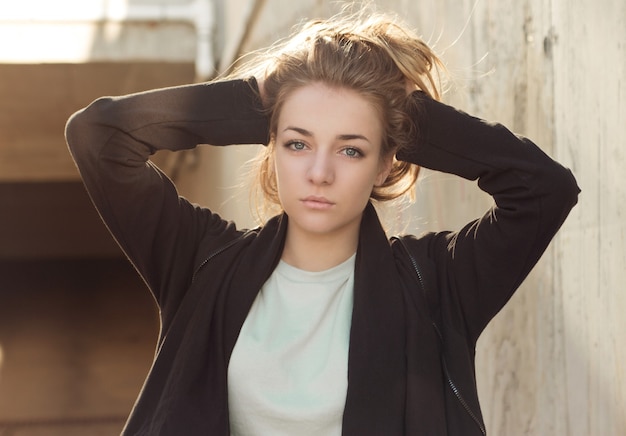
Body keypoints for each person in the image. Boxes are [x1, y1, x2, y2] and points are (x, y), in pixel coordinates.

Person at [65, 9, 579, 436]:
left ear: (384, 163)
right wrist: (261, 102)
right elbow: (98, 137)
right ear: (272, 145)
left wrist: (395, 116)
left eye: (351, 150)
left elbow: (543, 190)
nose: (319, 172)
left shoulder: (436, 284)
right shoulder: (202, 260)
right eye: (297, 143)